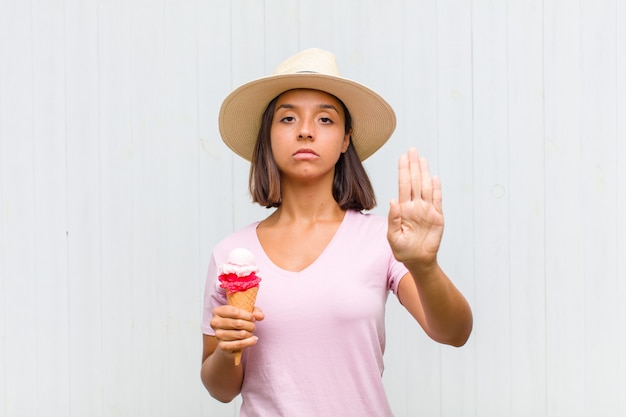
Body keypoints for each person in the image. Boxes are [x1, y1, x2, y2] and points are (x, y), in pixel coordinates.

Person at [201, 48, 472, 416]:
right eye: (287, 119)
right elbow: (220, 390)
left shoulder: (384, 241)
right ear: (267, 137)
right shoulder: (232, 254)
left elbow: (454, 333)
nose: (306, 131)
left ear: (346, 140)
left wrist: (425, 266)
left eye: (326, 120)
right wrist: (228, 349)